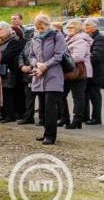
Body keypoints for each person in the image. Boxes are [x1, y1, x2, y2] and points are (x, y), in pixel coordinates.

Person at [25, 14, 66, 145]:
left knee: (50, 107)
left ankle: (50, 136)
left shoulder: (57, 36)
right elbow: (31, 55)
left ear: (48, 25)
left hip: (53, 75)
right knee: (42, 107)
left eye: (42, 27)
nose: (40, 29)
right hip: (39, 75)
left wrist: (45, 65)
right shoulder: (35, 38)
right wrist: (37, 64)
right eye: (37, 27)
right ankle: (46, 132)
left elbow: (59, 55)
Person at [62, 20, 93, 129]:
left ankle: (77, 121)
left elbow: (78, 57)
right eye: (68, 27)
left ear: (78, 28)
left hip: (79, 72)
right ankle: (65, 119)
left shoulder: (81, 40)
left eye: (72, 27)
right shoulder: (67, 39)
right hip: (68, 72)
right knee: (61, 95)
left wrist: (62, 59)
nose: (69, 29)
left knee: (78, 97)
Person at [0, 22, 25, 123]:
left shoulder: (14, 41)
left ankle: (10, 115)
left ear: (8, 30)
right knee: (1, 93)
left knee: (8, 93)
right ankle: (2, 114)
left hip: (9, 71)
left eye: (1, 29)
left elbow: (6, 56)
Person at [85, 18, 104, 125]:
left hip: (97, 72)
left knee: (95, 95)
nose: (85, 28)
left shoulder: (99, 38)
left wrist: (84, 59)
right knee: (90, 94)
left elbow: (97, 56)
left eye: (87, 26)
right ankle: (87, 117)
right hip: (91, 71)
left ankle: (96, 118)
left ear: (94, 27)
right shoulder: (92, 37)